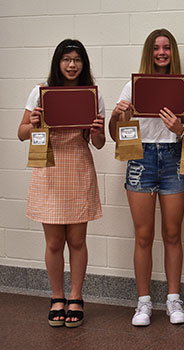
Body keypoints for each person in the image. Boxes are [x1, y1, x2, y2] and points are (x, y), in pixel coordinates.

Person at [108, 28, 184, 327]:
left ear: (173, 52)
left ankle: (173, 300)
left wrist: (180, 130)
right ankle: (143, 302)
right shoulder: (132, 87)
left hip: (173, 159)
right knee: (143, 236)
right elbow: (113, 135)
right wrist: (118, 115)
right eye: (156, 48)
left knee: (172, 234)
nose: (161, 53)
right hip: (141, 159)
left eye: (167, 48)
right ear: (149, 52)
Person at [17, 39, 105, 328]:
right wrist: (35, 123)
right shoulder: (41, 92)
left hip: (78, 167)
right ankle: (57, 297)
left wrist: (96, 131)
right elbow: (21, 133)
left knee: (77, 241)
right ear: (58, 62)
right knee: (54, 242)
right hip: (50, 168)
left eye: (77, 59)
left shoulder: (92, 95)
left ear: (84, 64)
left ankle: (76, 297)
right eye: (66, 59)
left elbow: (100, 143)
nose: (71, 65)